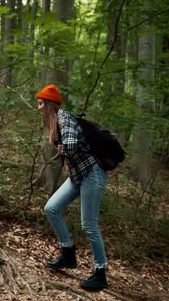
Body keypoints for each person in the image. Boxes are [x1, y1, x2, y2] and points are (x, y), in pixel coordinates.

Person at [37, 84, 109, 290]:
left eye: (41, 103)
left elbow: (71, 145)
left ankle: (100, 272)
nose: (39, 107)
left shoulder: (64, 118)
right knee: (51, 208)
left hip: (92, 175)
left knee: (89, 224)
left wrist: (62, 148)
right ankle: (68, 254)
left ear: (50, 104)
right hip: (78, 176)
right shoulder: (56, 123)